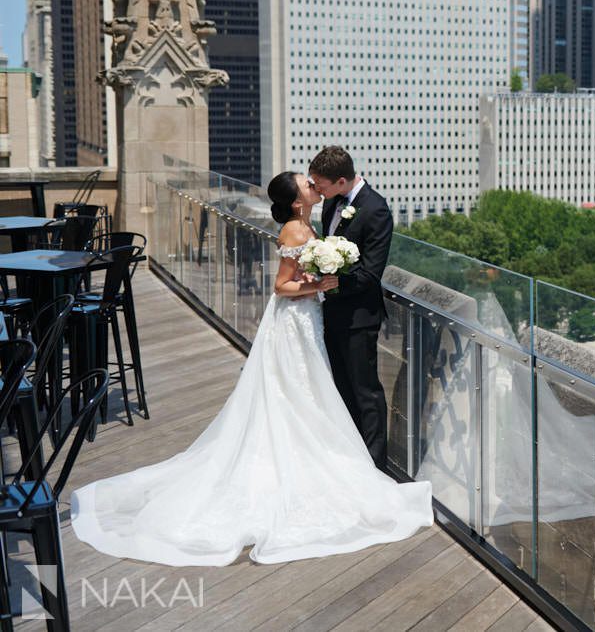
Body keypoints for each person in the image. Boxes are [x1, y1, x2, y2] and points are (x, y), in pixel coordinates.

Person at [70, 171, 432, 566]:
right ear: (297, 201)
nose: (313, 184)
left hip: (307, 320)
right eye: (306, 184)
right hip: (294, 321)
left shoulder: (310, 219)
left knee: (307, 389)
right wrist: (320, 286)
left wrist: (316, 279)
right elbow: (281, 287)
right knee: (294, 389)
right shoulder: (295, 231)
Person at [308, 146, 392, 470]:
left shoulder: (376, 210)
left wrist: (335, 284)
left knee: (365, 392)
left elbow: (372, 273)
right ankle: (349, 460)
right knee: (340, 388)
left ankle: (375, 468)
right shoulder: (331, 202)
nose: (317, 191)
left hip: (359, 317)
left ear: (341, 181)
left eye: (321, 185)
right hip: (330, 311)